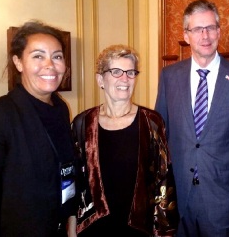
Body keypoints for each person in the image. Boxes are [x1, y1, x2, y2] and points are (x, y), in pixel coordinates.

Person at [0, 20, 77, 236]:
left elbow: (65, 170)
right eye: (38, 56)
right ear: (18, 62)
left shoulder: (61, 108)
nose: (50, 65)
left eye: (57, 56)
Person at [155, 0, 229, 237]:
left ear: (219, 32)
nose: (205, 35)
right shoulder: (169, 76)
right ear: (186, 35)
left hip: (222, 201)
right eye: (197, 29)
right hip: (177, 198)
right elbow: (160, 136)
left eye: (210, 27)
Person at [70, 44, 178, 236]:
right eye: (116, 71)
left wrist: (163, 231)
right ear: (100, 79)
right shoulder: (82, 123)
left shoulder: (151, 122)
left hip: (138, 228)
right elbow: (74, 182)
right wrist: (71, 228)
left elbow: (164, 180)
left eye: (130, 72)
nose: (125, 79)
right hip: (93, 228)